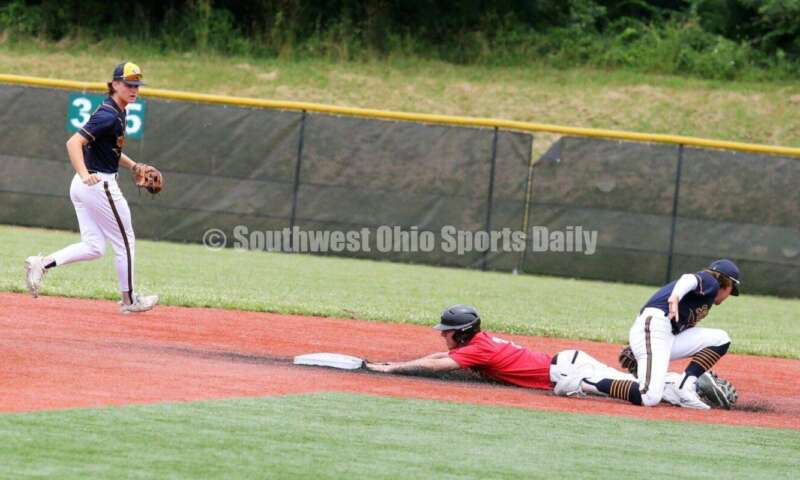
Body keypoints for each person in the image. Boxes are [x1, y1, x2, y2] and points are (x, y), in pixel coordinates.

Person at [24, 62, 159, 314]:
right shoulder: (109, 114)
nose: (134, 90)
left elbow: (109, 149)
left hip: (87, 185)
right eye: (129, 84)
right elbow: (73, 142)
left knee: (94, 247)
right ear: (115, 84)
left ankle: (41, 264)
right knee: (126, 242)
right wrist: (85, 174)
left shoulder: (117, 110)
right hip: (98, 184)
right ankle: (130, 301)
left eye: (137, 85)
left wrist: (133, 165)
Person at [365, 304, 694, 406]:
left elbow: (437, 366)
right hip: (567, 363)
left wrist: (392, 372)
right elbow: (438, 355)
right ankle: (682, 385)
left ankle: (681, 386)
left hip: (567, 374)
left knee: (637, 393)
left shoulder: (477, 349)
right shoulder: (479, 343)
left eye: (447, 330)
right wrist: (396, 364)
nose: (443, 334)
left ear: (462, 332)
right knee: (636, 383)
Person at [558, 259, 740, 409]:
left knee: (720, 339)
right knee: (649, 396)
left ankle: (683, 386)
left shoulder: (705, 298)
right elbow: (689, 279)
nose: (729, 296)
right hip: (654, 327)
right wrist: (675, 296)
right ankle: (584, 381)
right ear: (727, 284)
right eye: (732, 291)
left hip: (665, 336)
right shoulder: (711, 282)